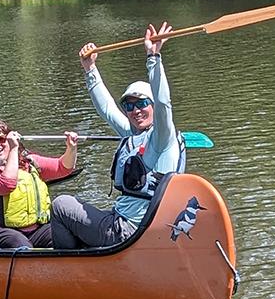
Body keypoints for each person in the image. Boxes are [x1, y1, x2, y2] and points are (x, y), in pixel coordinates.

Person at [51, 22, 185, 249]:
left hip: (127, 230)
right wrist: (89, 69)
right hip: (139, 227)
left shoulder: (161, 137)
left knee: (60, 204)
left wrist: (154, 57)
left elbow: (164, 104)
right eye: (129, 106)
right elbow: (107, 110)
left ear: (152, 105)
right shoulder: (133, 134)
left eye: (142, 103)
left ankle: (68, 268)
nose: (136, 111)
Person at [0, 120, 78, 248]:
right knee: (19, 243)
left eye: (1, 139)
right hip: (0, 230)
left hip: (36, 229)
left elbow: (63, 168)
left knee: (67, 237)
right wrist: (14, 149)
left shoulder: (29, 162)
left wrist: (71, 148)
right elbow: (6, 185)